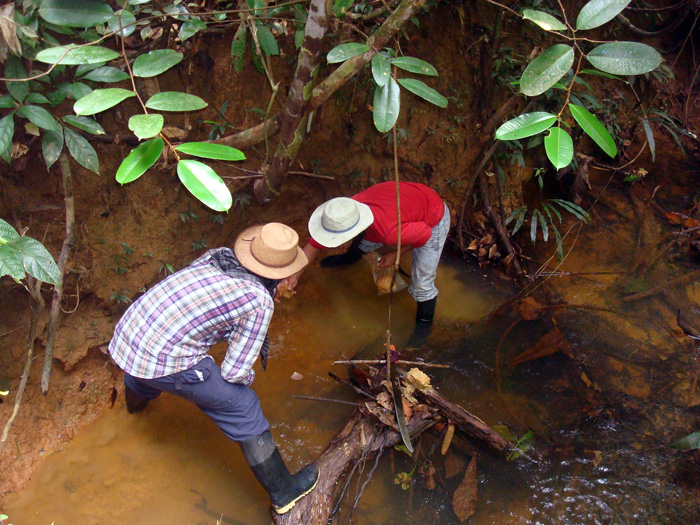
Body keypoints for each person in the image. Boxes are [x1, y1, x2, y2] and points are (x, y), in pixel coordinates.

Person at [108, 222, 318, 515]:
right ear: (282, 274)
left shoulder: (217, 256)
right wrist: (249, 378)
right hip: (161, 356)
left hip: (131, 335)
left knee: (150, 369)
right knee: (243, 404)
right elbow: (234, 371)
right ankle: (285, 493)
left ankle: (134, 412)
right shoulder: (258, 301)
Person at [282, 181, 450, 347]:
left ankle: (424, 328)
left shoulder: (389, 232)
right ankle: (348, 260)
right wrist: (293, 275)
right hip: (410, 201)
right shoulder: (349, 209)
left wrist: (395, 254)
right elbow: (313, 245)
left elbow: (425, 234)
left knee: (422, 284)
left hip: (434, 219)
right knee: (365, 243)